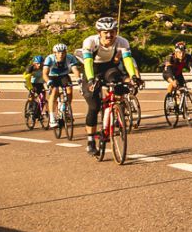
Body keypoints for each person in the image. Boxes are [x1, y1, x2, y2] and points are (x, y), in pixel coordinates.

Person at [78, 15, 140, 156]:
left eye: (112, 32)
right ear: (99, 33)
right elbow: (88, 63)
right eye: (105, 32)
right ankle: (90, 141)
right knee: (94, 106)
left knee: (119, 84)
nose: (109, 35)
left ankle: (115, 113)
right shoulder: (90, 42)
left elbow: (127, 60)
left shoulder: (122, 41)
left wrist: (133, 76)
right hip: (92, 70)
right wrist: (91, 79)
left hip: (109, 68)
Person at [44, 42, 76, 127]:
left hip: (64, 76)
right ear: (54, 53)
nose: (61, 54)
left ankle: (66, 108)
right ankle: (52, 118)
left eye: (63, 52)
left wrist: (78, 78)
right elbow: (44, 73)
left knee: (69, 90)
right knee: (54, 91)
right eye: (58, 52)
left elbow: (75, 69)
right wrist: (48, 81)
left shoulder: (70, 58)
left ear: (66, 52)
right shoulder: (49, 59)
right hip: (52, 76)